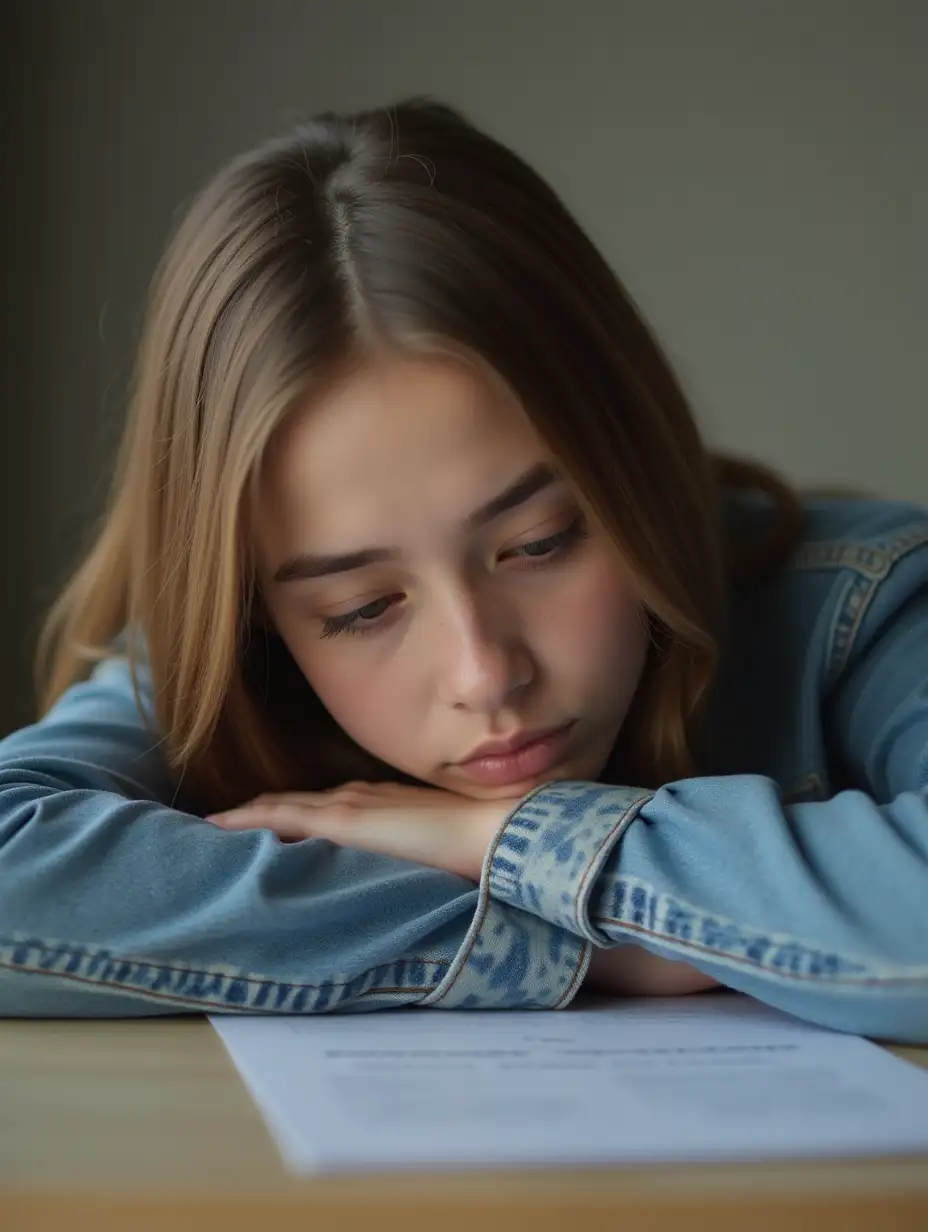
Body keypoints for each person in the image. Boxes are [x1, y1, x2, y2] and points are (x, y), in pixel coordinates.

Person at [1, 99, 925, 1039]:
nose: (485, 673)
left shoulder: (869, 604)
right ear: (256, 605)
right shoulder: (218, 672)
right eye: (362, 608)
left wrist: (493, 840)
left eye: (539, 543)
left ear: (632, 459)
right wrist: (606, 938)